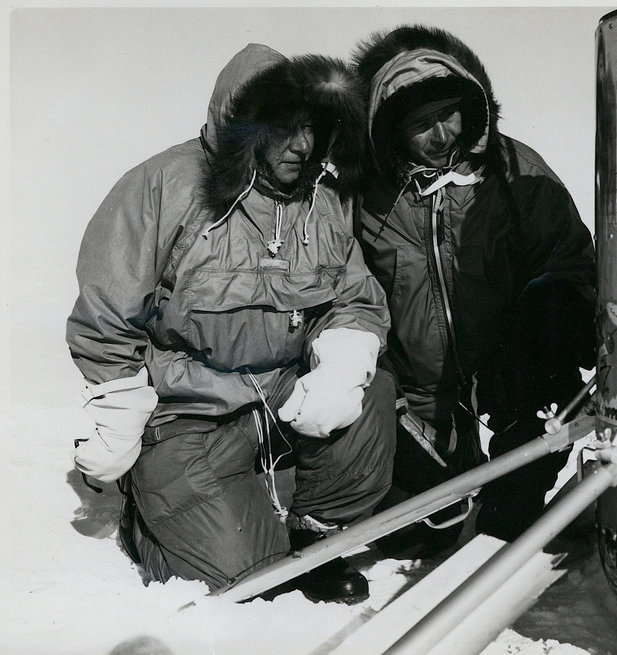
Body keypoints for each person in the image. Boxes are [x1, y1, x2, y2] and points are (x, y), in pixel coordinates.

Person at [66, 44, 395, 603]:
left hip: (281, 395)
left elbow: (354, 298)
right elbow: (107, 316)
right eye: (284, 128)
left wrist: (338, 372)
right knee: (247, 579)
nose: (302, 145)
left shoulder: (324, 198)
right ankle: (148, 520)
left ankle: (315, 535)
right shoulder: (163, 187)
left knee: (373, 397)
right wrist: (119, 415)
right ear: (246, 126)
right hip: (187, 410)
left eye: (312, 128)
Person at [352, 26, 597, 546]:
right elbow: (347, 295)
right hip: (417, 392)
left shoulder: (514, 171)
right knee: (423, 532)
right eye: (421, 124)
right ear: (391, 132)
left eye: (449, 114)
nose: (442, 135)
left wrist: (553, 326)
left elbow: (572, 266)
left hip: (509, 375)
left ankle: (514, 496)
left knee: (505, 515)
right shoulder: (364, 195)